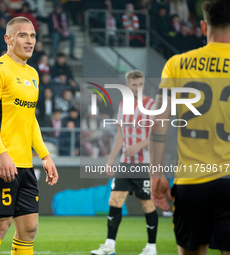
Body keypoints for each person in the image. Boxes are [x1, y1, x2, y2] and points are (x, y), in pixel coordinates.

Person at [149, 0, 230, 254]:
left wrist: (156, 174)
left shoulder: (176, 64)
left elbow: (159, 122)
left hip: (192, 181)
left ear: (204, 27)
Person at [0, 16, 58, 255]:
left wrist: (45, 155)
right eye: (23, 35)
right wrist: (2, 154)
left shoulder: (33, 74)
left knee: (29, 228)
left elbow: (30, 118)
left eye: (32, 36)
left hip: (25, 163)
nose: (30, 41)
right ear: (8, 39)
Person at [91, 70, 158, 255]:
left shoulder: (152, 105)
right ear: (128, 86)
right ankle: (109, 245)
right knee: (114, 201)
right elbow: (120, 134)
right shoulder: (123, 105)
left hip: (144, 163)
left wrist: (138, 147)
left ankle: (151, 247)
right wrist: (111, 159)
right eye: (135, 84)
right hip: (125, 164)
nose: (138, 87)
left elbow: (156, 136)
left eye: (141, 84)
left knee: (146, 204)